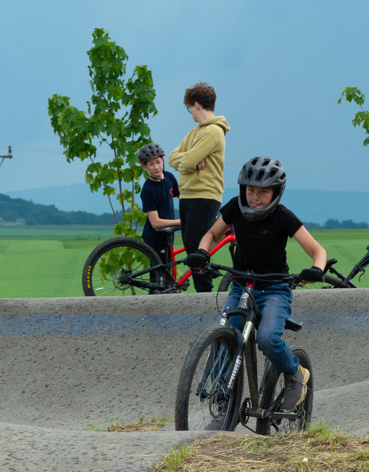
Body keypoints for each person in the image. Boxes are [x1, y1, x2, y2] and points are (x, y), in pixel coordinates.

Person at [184, 156, 327, 411]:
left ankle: (295, 373)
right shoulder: (235, 208)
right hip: (241, 287)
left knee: (268, 338)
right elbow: (212, 234)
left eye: (263, 191)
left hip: (274, 289)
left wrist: (316, 269)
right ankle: (221, 391)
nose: (255, 197)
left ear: (276, 192)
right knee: (227, 333)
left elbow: (318, 250)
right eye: (251, 190)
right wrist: (203, 252)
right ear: (242, 189)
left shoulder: (283, 217)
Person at [168, 82, 231, 292]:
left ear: (196, 105)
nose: (190, 113)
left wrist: (189, 161)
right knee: (191, 246)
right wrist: (192, 160)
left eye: (189, 108)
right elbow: (172, 158)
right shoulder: (195, 132)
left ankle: (204, 298)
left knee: (197, 249)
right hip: (187, 195)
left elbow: (183, 163)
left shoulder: (213, 131)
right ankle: (202, 293)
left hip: (204, 195)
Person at [137, 142, 180, 265]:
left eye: (158, 162)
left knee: (168, 272)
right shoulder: (148, 190)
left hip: (168, 235)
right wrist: (183, 221)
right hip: (155, 238)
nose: (156, 167)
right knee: (160, 278)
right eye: (151, 164)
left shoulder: (170, 177)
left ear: (163, 160)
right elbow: (155, 223)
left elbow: (182, 197)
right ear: (144, 167)